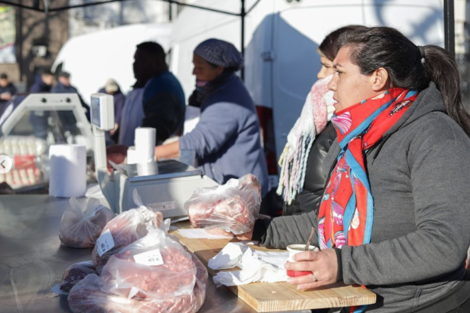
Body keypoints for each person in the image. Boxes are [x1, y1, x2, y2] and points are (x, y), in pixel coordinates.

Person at [284, 26, 470, 312]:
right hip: (352, 299)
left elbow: (443, 244)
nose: (330, 84)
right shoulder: (358, 136)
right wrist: (259, 228)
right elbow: (332, 220)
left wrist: (342, 264)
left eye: (340, 72)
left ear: (378, 78)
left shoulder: (436, 135)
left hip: (423, 305)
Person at [154, 38, 269, 197]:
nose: (194, 72)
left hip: (242, 193)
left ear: (219, 68)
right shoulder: (216, 91)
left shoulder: (229, 99)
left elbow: (198, 142)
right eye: (194, 65)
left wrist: (153, 153)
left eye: (199, 67)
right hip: (229, 187)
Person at [98, 78, 126, 144]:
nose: (111, 92)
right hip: (102, 122)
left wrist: (116, 124)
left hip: (113, 124)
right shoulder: (101, 92)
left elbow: (120, 111)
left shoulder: (120, 96)